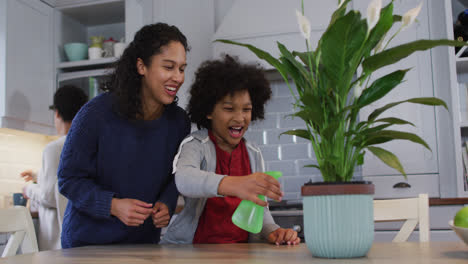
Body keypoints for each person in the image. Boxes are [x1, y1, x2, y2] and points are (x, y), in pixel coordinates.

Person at [57, 23, 191, 248]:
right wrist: (113, 205)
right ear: (141, 66)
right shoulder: (96, 114)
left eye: (182, 68)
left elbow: (176, 174)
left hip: (143, 245)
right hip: (88, 246)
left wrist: (166, 203)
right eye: (169, 67)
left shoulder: (178, 122)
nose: (178, 77)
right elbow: (69, 179)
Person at [161, 55, 300, 245]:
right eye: (229, 108)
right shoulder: (195, 144)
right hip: (193, 253)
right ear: (209, 111)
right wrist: (235, 184)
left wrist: (273, 231)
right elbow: (184, 179)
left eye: (246, 109)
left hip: (240, 254)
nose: (239, 118)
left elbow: (261, 211)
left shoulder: (253, 153)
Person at [21, 85, 88, 251]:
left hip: (58, 245)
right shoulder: (86, 144)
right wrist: (38, 176)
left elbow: (50, 195)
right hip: (81, 240)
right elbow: (65, 182)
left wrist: (28, 188)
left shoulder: (54, 148)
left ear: (57, 113)